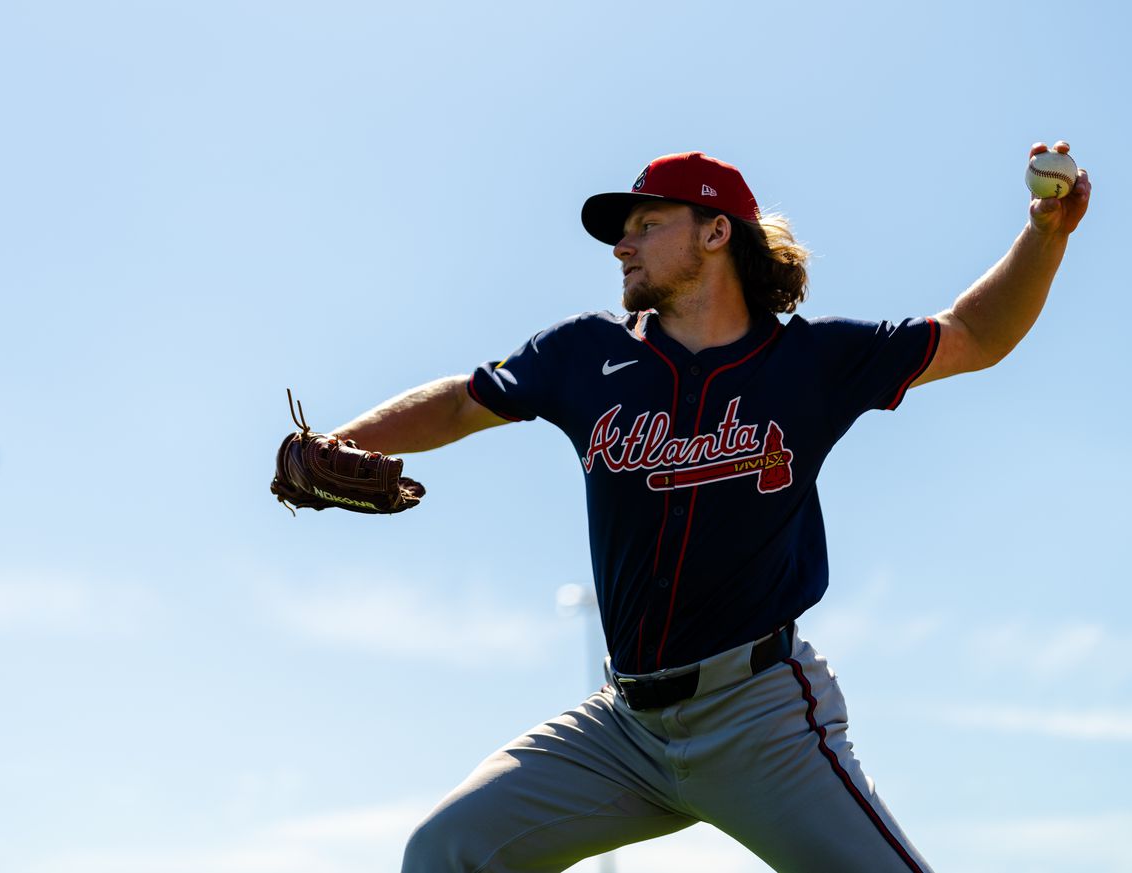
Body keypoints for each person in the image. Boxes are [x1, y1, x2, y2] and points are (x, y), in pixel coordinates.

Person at [322, 146, 1090, 872]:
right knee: (446, 850)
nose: (623, 246)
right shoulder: (583, 354)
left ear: (717, 231)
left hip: (761, 720)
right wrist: (337, 442)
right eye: (621, 233)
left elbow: (975, 335)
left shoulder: (811, 362)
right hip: (623, 728)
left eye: (646, 225)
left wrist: (1043, 234)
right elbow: (462, 403)